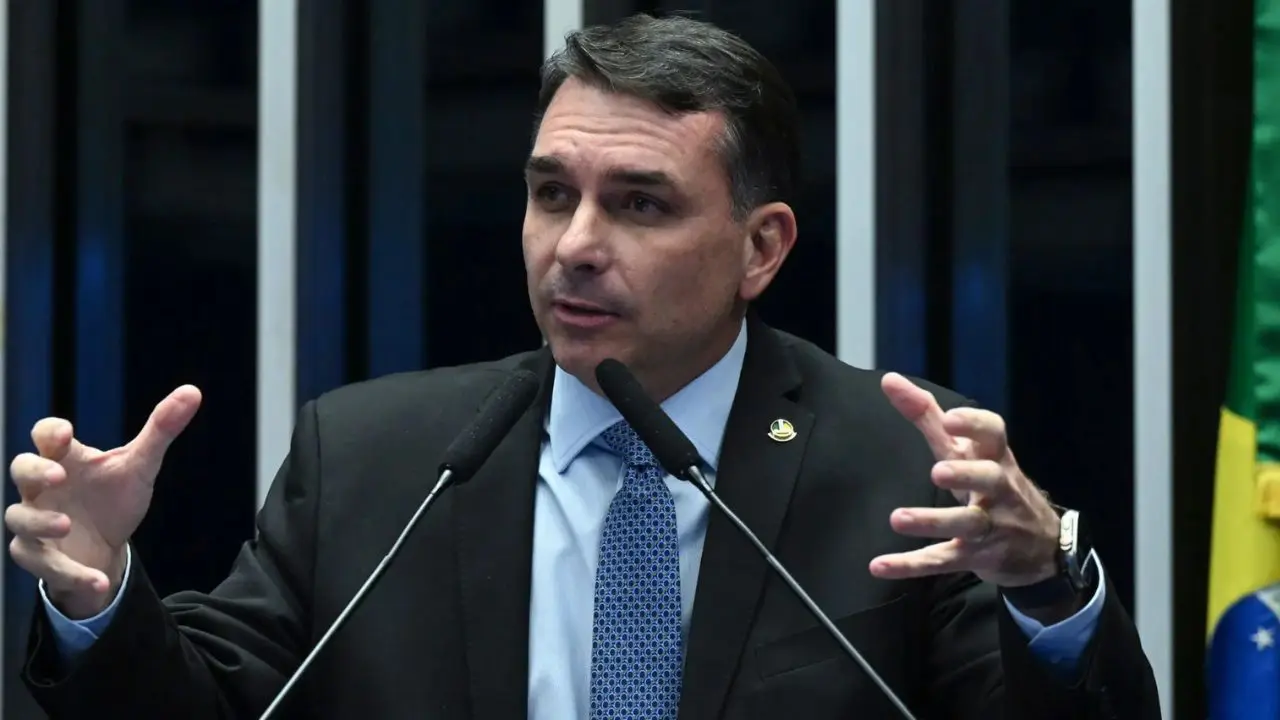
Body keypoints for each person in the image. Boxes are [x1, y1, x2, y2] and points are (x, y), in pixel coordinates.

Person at [7, 13, 1159, 720]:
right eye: (551, 193)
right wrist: (100, 596)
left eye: (639, 204)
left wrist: (1046, 590)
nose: (574, 245)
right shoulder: (373, 460)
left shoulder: (896, 463)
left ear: (760, 248)